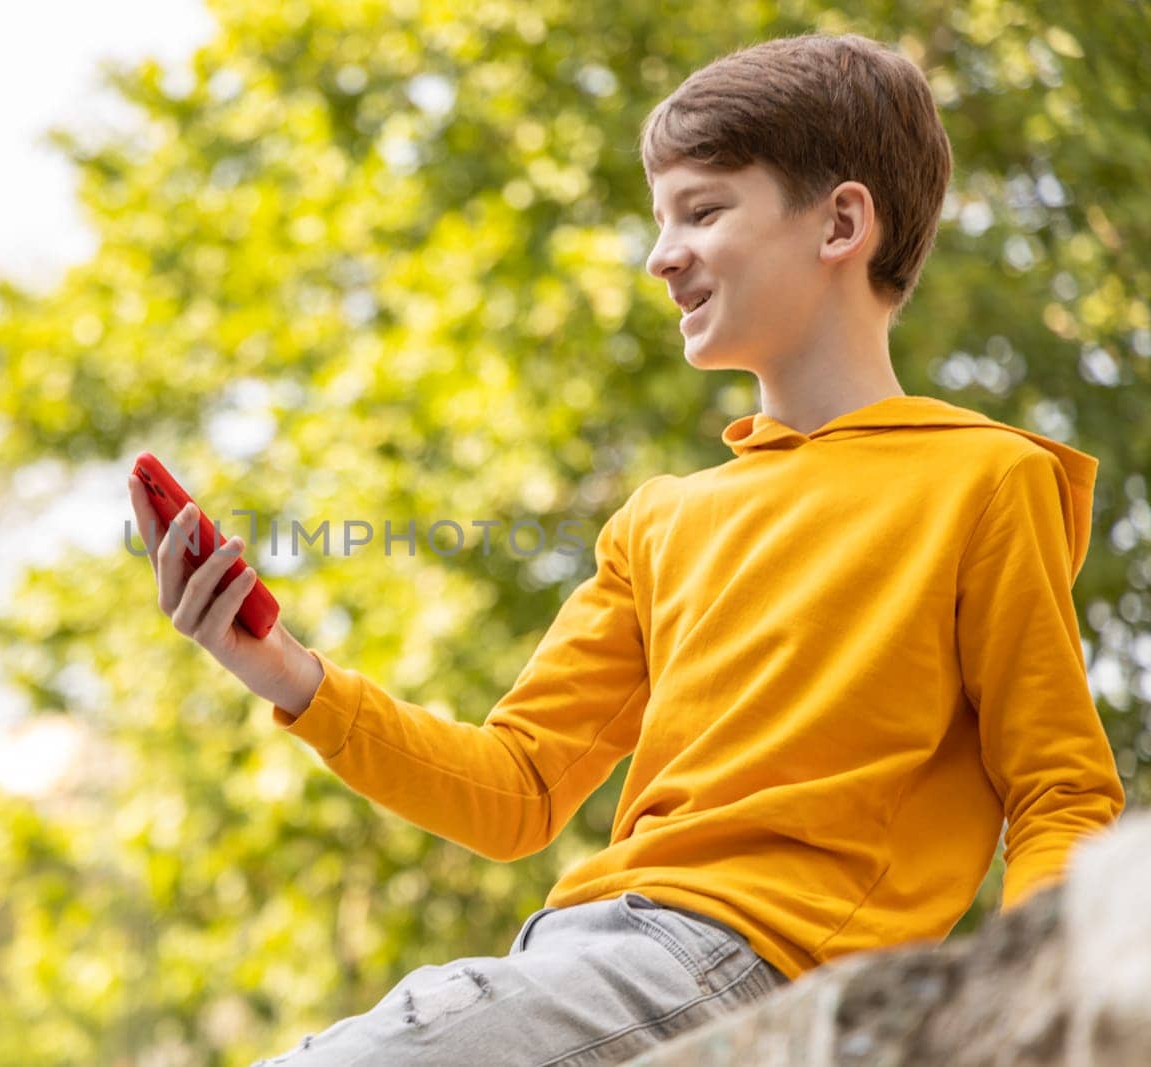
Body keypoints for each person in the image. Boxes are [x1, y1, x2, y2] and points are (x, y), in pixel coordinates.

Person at [126, 30, 1125, 1066]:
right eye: (660, 219)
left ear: (840, 222)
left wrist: (1038, 1006)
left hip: (738, 968)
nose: (661, 253)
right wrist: (285, 672)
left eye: (703, 209)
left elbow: (1059, 789)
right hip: (580, 958)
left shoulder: (980, 478)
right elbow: (516, 789)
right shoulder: (660, 520)